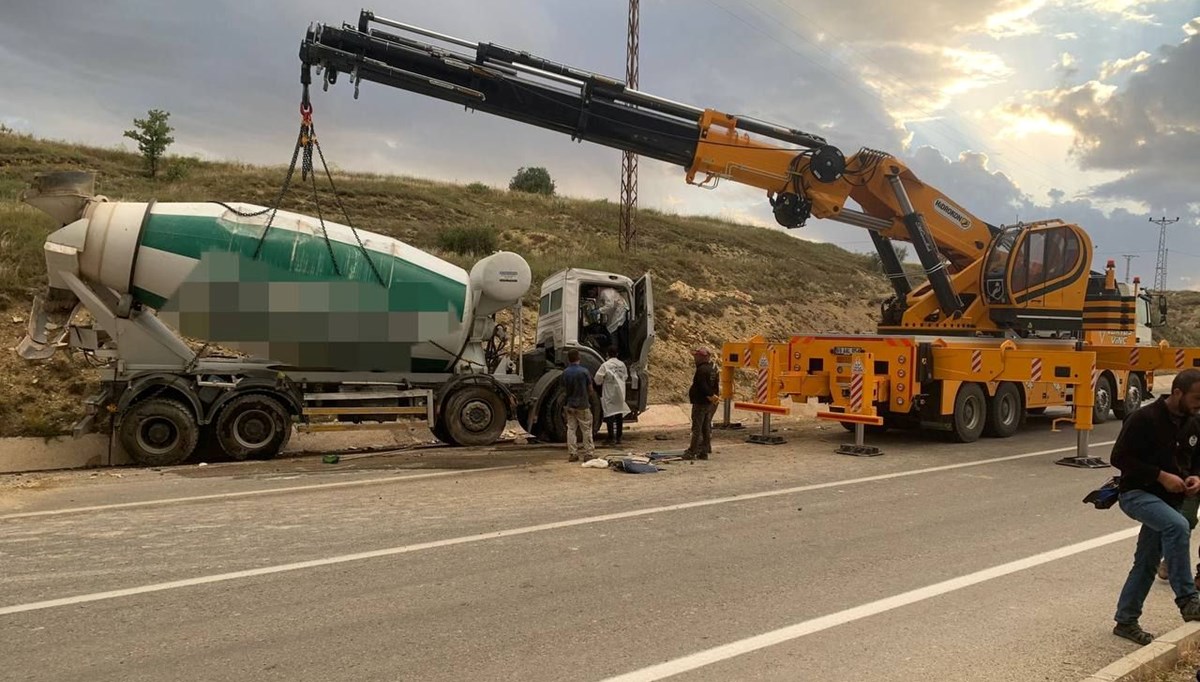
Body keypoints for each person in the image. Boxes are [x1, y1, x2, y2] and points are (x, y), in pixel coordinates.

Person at [1110, 369, 1200, 645]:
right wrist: (1160, 476)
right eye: (1196, 398)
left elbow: (1195, 459)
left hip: (1169, 500)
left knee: (1147, 563)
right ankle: (1187, 599)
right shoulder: (1144, 418)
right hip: (1136, 493)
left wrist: (1195, 476)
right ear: (1177, 393)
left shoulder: (1193, 423)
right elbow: (1119, 458)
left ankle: (1125, 620)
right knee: (1178, 525)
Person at [683, 347, 720, 460]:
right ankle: (704, 451)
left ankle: (692, 451)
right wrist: (713, 396)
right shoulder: (713, 369)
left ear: (702, 357)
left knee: (697, 428)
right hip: (708, 403)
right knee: (705, 427)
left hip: (700, 402)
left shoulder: (702, 370)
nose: (695, 358)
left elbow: (703, 386)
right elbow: (715, 385)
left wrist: (710, 395)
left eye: (697, 356)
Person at [561, 348, 595, 463]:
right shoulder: (584, 372)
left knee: (571, 429)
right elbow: (590, 390)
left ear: (569, 359)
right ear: (579, 358)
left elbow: (564, 390)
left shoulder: (565, 372)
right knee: (586, 429)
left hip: (570, 405)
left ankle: (573, 454)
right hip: (583, 405)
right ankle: (588, 454)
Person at [594, 346, 629, 447]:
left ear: (607, 354)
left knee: (609, 414)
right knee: (619, 414)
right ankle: (619, 437)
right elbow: (625, 376)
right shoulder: (622, 364)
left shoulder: (605, 365)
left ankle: (610, 437)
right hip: (620, 392)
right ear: (617, 354)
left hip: (609, 391)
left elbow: (597, 379)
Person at [595, 285, 630, 359]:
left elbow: (610, 306)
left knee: (616, 334)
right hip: (616, 315)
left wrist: (599, 311)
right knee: (612, 330)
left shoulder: (606, 292)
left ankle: (618, 355)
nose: (590, 293)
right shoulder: (601, 295)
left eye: (590, 292)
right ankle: (615, 353)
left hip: (620, 314)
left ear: (594, 289)